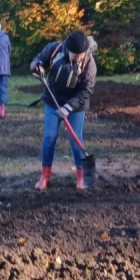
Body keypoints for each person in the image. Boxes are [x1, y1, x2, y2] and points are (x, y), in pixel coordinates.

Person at [29, 31, 97, 190]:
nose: (78, 58)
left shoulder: (89, 63)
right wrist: (37, 66)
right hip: (53, 101)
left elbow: (86, 91)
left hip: (76, 105)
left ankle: (81, 178)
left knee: (75, 140)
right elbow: (37, 60)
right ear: (68, 49)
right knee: (49, 137)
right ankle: (45, 176)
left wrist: (68, 108)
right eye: (75, 55)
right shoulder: (54, 49)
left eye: (81, 55)